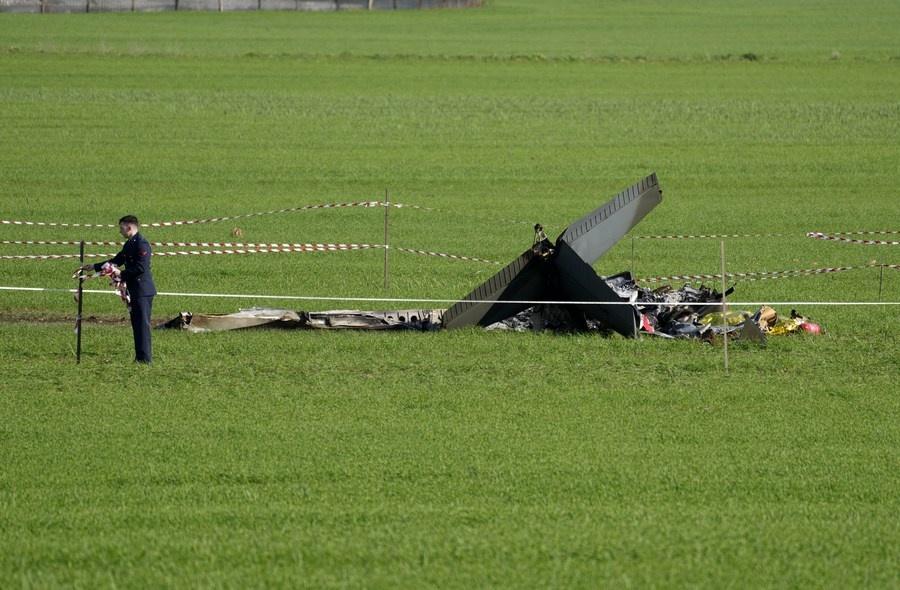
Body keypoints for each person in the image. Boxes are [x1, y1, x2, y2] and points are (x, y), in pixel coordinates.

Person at [80, 215, 157, 364]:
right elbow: (117, 260)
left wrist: (121, 274)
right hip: (134, 290)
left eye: (121, 228)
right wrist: (95, 266)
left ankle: (145, 359)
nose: (120, 232)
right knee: (136, 325)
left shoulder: (142, 244)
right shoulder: (129, 244)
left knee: (142, 326)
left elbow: (141, 268)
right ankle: (140, 357)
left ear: (129, 227)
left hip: (143, 291)